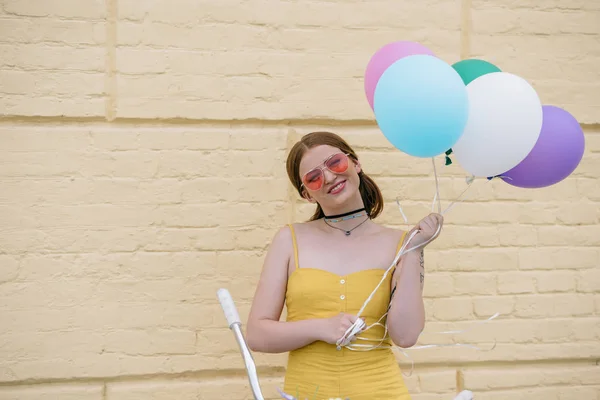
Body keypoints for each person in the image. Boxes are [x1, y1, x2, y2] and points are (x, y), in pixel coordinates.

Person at [246, 131, 443, 399]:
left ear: (355, 163)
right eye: (314, 177)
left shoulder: (400, 243)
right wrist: (321, 327)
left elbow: (406, 336)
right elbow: (257, 335)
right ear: (307, 195)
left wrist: (415, 248)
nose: (328, 177)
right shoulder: (289, 239)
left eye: (334, 163)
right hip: (306, 392)